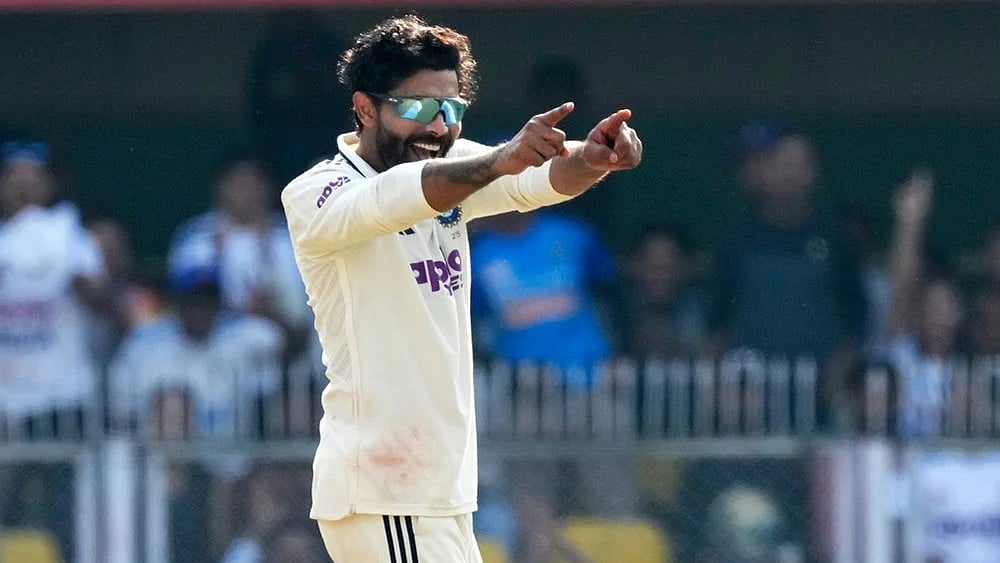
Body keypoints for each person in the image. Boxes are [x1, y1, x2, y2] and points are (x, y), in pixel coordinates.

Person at [280, 15, 642, 562]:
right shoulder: (317, 193)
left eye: (449, 110)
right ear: (364, 108)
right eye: (417, 109)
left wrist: (592, 163)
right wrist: (497, 159)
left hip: (436, 492)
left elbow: (534, 183)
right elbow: (403, 194)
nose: (437, 127)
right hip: (384, 490)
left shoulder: (452, 168)